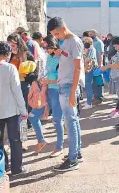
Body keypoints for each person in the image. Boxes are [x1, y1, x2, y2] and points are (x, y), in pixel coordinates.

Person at [0, 42, 29, 175]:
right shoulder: (10, 68)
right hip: (11, 110)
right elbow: (17, 91)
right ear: (8, 54)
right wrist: (23, 110)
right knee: (15, 140)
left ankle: (2, 167)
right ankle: (17, 169)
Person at [47, 17, 84, 172]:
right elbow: (68, 60)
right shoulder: (65, 43)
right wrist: (59, 53)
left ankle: (72, 158)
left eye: (56, 33)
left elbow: (77, 68)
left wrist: (73, 93)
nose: (56, 37)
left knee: (70, 122)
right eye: (53, 35)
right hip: (64, 84)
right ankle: (76, 153)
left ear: (63, 28)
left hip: (69, 86)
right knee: (72, 121)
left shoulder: (73, 41)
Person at [41, 35, 64, 158]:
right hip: (51, 90)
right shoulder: (49, 57)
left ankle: (59, 146)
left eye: (47, 47)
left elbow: (62, 78)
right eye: (44, 47)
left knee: (57, 119)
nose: (46, 50)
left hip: (59, 90)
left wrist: (48, 82)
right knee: (57, 119)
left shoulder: (60, 58)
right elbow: (50, 73)